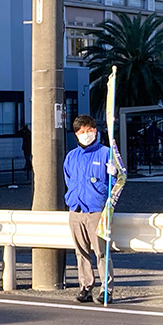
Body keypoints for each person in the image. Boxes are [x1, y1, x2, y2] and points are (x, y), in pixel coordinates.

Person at [64, 115, 117, 305]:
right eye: (80, 131)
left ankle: (106, 289)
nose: (85, 134)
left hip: (97, 211)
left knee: (101, 252)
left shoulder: (106, 153)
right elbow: (69, 180)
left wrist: (114, 172)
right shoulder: (71, 156)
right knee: (81, 251)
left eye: (88, 130)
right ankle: (86, 287)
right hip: (76, 209)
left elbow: (120, 179)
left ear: (95, 130)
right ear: (76, 134)